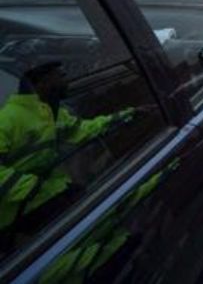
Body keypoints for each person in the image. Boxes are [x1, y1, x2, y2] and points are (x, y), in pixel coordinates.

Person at [0, 63, 134, 246]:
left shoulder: (50, 113)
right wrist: (31, 187)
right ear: (42, 82)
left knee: (107, 228)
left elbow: (83, 130)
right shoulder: (8, 119)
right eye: (60, 75)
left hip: (51, 194)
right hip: (20, 215)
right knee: (98, 234)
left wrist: (126, 116)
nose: (67, 79)